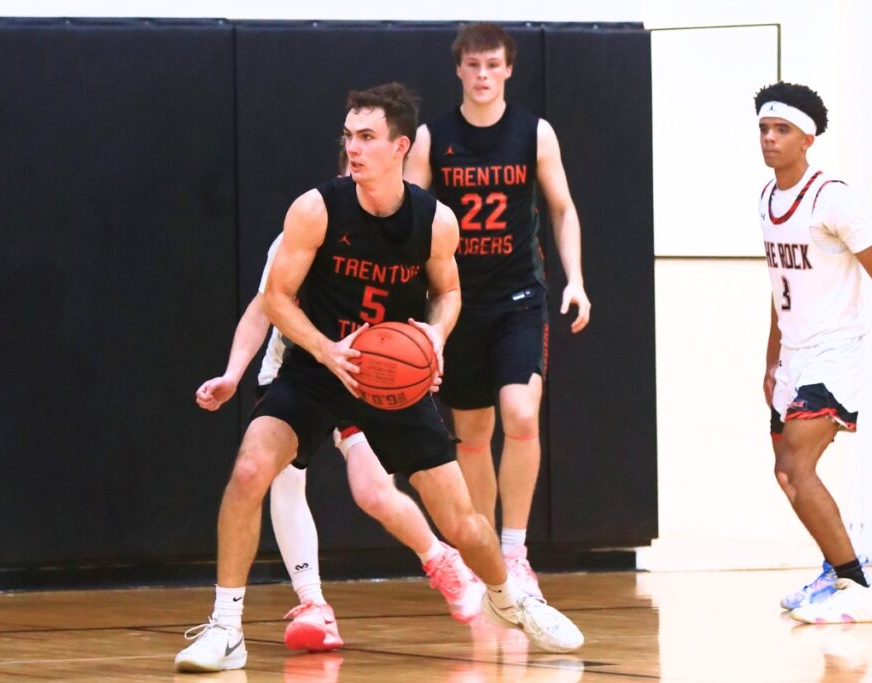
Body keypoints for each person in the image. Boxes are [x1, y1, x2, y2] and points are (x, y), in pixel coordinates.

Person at [174, 82, 583, 673]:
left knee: (463, 521)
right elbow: (275, 298)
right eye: (349, 137)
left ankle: (510, 601)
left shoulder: (435, 221)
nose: (354, 149)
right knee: (249, 470)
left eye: (367, 138)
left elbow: (448, 293)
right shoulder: (315, 209)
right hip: (320, 368)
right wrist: (323, 349)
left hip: (392, 377)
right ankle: (226, 626)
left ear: (401, 147)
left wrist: (435, 338)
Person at [191, 227, 485, 652]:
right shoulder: (305, 232)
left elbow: (441, 298)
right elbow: (262, 308)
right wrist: (232, 375)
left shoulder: (403, 236)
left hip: (362, 376)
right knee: (281, 479)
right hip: (296, 373)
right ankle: (312, 602)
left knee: (373, 492)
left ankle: (441, 558)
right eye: (351, 165)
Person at [404, 23, 591, 599]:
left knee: (522, 415)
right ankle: (485, 553)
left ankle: (515, 548)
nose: (483, 75)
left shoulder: (535, 133)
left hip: (518, 297)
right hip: (457, 302)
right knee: (473, 435)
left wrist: (576, 280)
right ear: (458, 69)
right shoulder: (433, 137)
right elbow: (409, 224)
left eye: (493, 65)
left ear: (508, 70)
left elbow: (562, 208)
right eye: (473, 66)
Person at [755, 81, 872, 623]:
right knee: (787, 474)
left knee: (797, 461)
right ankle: (835, 571)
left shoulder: (831, 196)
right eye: (764, 129)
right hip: (793, 354)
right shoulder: (767, 199)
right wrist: (771, 358)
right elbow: (778, 285)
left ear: (807, 138)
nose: (770, 138)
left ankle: (857, 587)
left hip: (834, 353)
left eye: (781, 129)